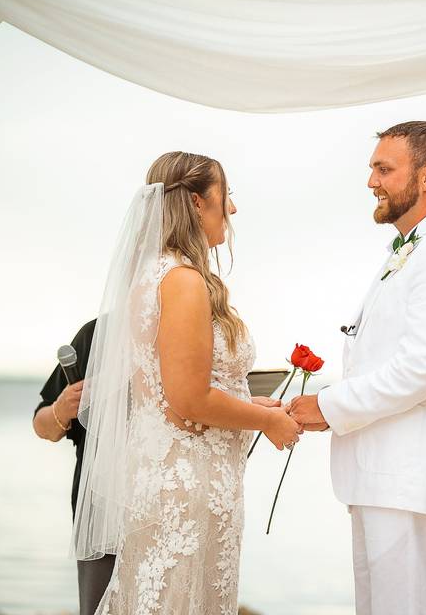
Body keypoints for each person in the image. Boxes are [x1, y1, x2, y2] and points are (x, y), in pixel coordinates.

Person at [72, 152, 302, 614]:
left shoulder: (154, 276)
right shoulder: (181, 280)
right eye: (227, 196)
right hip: (187, 487)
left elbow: (169, 391)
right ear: (198, 204)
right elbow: (187, 398)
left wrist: (250, 404)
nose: (232, 210)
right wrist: (265, 421)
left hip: (177, 479)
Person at [288, 121, 426, 615]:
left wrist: (330, 406)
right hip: (381, 476)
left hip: (409, 479)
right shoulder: (410, 250)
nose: (371, 181)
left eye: (384, 169)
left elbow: (422, 370)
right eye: (372, 168)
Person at [32, 319, 113, 615]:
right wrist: (62, 408)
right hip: (101, 514)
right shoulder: (95, 335)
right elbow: (43, 426)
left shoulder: (191, 331)